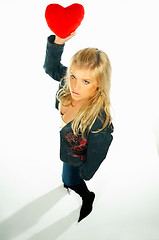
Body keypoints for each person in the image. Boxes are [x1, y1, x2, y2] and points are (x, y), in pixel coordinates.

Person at [43, 32, 114, 222]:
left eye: (85, 81)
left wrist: (86, 173)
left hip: (77, 157)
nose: (74, 86)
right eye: (73, 76)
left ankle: (86, 195)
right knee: (67, 175)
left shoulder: (99, 121)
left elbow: (98, 151)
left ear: (99, 84)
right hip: (69, 144)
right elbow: (51, 68)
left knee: (70, 179)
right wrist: (58, 42)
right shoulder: (68, 82)